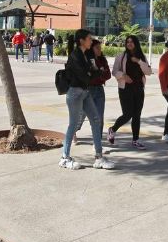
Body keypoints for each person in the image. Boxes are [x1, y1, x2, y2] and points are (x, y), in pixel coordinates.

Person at [60, 30, 114, 170]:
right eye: (89, 38)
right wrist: (94, 72)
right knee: (73, 125)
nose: (92, 41)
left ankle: (99, 158)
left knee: (96, 120)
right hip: (75, 93)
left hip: (85, 92)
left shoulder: (86, 54)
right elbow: (86, 76)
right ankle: (64, 158)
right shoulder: (75, 56)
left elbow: (93, 72)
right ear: (82, 40)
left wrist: (94, 72)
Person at [108, 35, 153, 150]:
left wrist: (138, 61)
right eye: (127, 42)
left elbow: (148, 71)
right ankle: (112, 129)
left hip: (138, 88)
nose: (129, 44)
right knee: (127, 114)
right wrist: (123, 76)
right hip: (125, 89)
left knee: (137, 115)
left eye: (132, 42)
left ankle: (135, 140)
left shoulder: (141, 57)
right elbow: (114, 71)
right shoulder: (121, 57)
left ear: (136, 43)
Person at [75, 39, 111, 144]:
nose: (100, 49)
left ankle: (97, 143)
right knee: (81, 115)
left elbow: (107, 75)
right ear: (91, 48)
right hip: (87, 90)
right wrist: (100, 73)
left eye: (100, 47)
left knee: (99, 117)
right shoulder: (86, 60)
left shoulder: (102, 60)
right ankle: (73, 132)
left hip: (99, 90)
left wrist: (98, 74)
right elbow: (88, 77)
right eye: (97, 47)